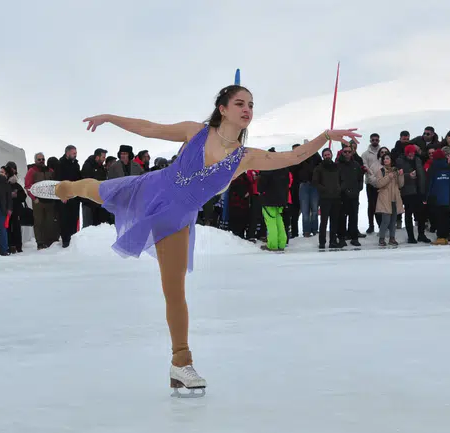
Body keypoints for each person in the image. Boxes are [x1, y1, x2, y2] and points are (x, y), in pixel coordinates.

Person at [28, 85, 360, 396]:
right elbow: (150, 128)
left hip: (175, 219)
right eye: (240, 104)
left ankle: (180, 363)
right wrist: (110, 118)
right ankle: (61, 188)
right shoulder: (194, 131)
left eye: (251, 105)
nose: (247, 110)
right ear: (223, 109)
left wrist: (325, 136)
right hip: (152, 188)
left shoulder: (244, 157)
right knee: (94, 190)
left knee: (174, 291)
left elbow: (294, 157)